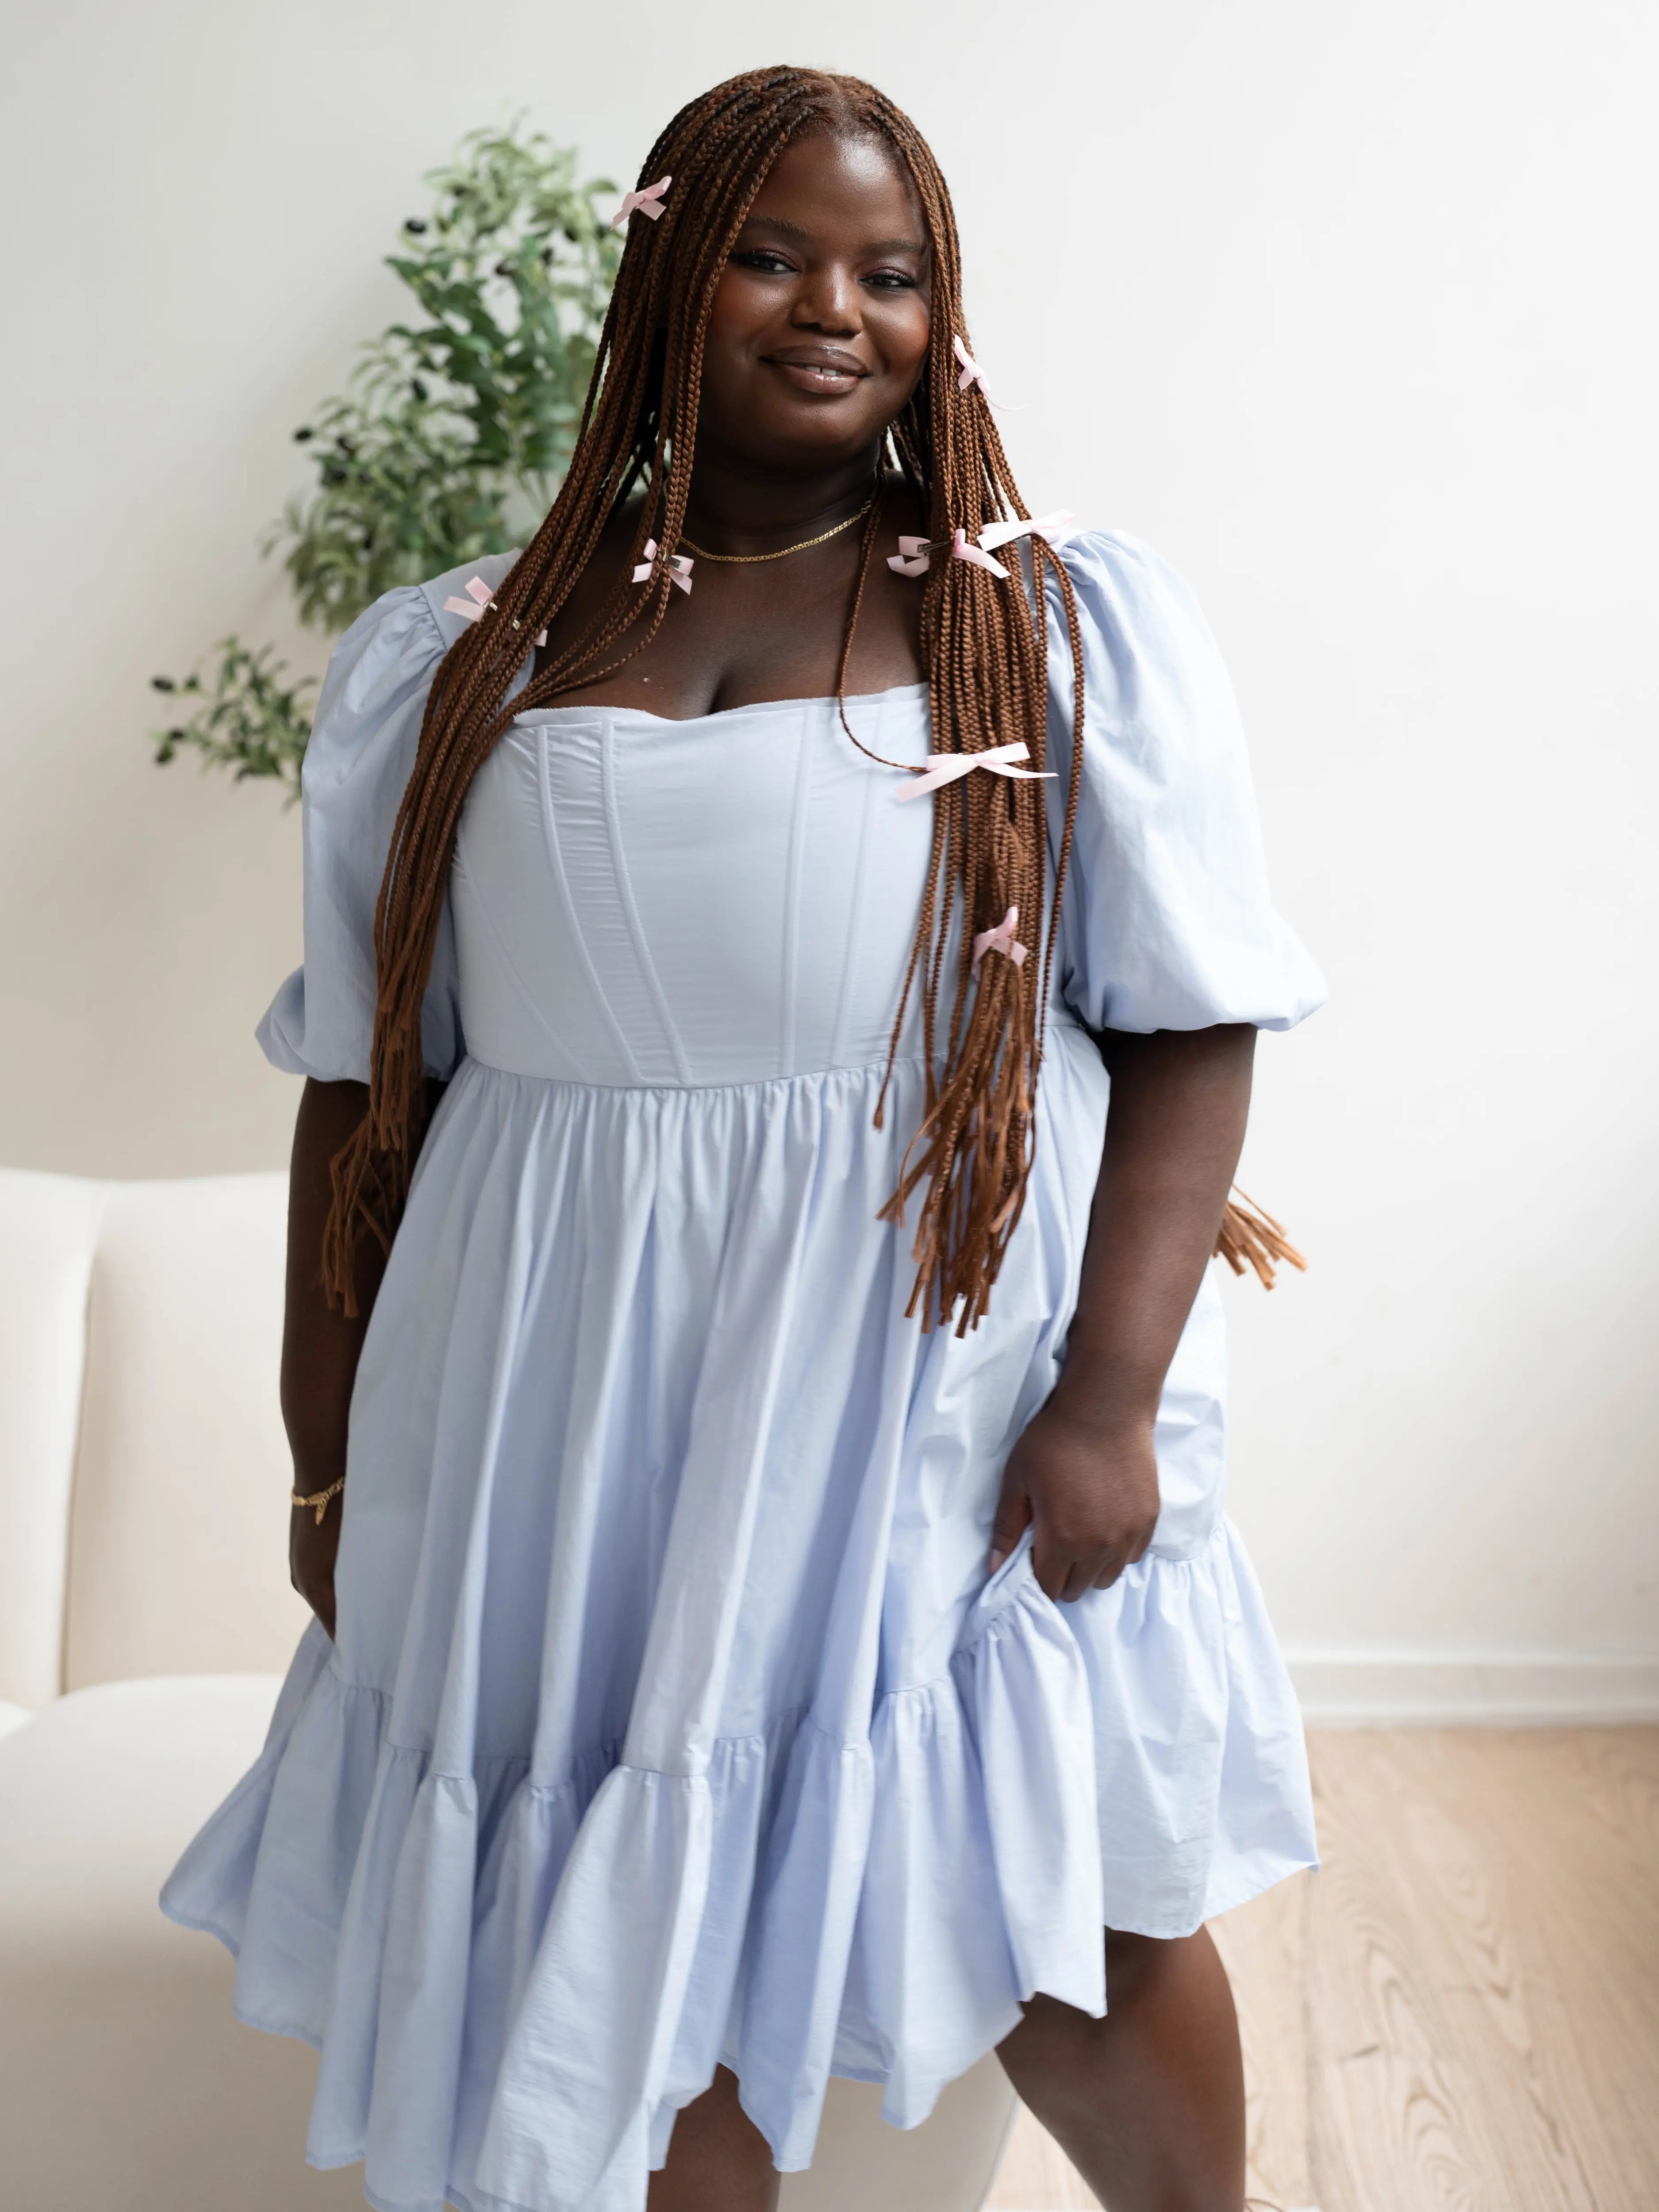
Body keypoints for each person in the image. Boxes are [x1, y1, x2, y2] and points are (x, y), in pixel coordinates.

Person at [163, 64, 1325, 2212]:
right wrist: (326, 1453)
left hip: (919, 1352)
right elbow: (361, 1092)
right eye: (774, 255)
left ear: (939, 314)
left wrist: (1111, 1396)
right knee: (640, 1909)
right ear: (667, 278)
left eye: (889, 273)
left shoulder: (1038, 619)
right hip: (559, 1383)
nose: (831, 308)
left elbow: (1187, 1025)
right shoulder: (459, 656)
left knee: (1051, 1873)